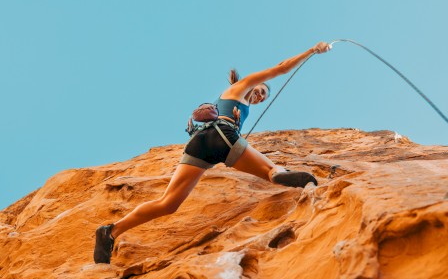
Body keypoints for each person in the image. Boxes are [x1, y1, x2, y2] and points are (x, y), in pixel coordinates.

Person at [94, 42, 332, 264]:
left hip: (200, 144)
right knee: (271, 171)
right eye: (260, 91)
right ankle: (279, 174)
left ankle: (110, 232)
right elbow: (281, 68)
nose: (259, 96)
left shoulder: (233, 104)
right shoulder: (242, 86)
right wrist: (312, 50)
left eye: (263, 97)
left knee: (168, 203)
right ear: (253, 84)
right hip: (222, 136)